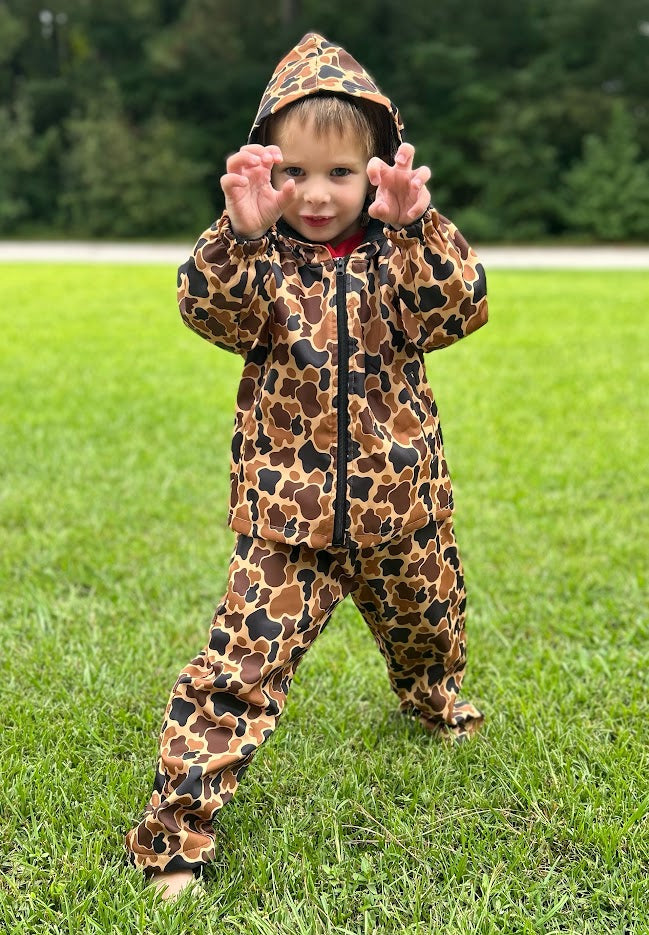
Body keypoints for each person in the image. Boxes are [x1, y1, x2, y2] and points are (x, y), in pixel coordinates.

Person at [125, 32, 488, 901]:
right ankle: (176, 836)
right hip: (286, 520)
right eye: (294, 172)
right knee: (235, 673)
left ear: (376, 170)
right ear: (266, 169)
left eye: (340, 173)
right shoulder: (261, 263)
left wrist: (419, 227)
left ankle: (435, 702)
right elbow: (207, 311)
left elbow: (460, 307)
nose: (317, 194)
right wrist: (238, 236)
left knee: (430, 629)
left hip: (400, 507)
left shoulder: (400, 254)